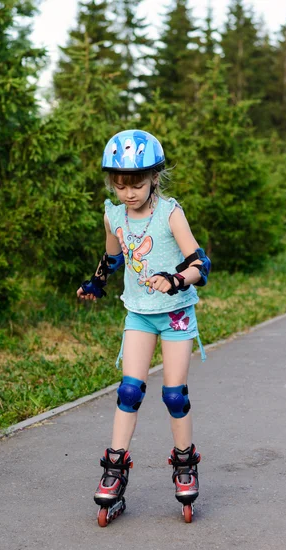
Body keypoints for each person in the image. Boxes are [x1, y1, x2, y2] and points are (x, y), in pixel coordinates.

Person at [77, 130, 211, 525]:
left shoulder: (171, 213)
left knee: (174, 395)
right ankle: (114, 471)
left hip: (175, 313)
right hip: (138, 312)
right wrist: (96, 283)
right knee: (129, 389)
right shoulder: (113, 214)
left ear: (154, 177)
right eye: (119, 186)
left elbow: (200, 264)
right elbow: (113, 256)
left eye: (136, 184)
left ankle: (185, 463)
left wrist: (176, 279)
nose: (128, 193)